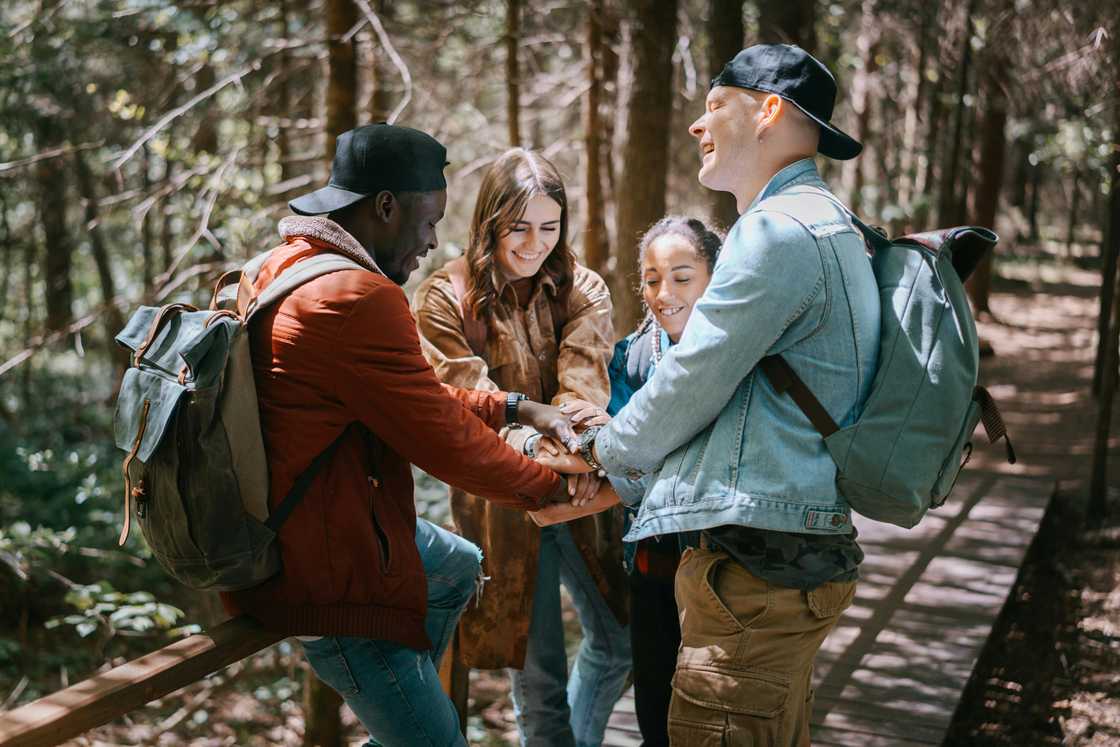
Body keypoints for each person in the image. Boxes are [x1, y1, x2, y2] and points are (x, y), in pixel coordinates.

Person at [219, 123, 602, 747]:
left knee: (455, 566)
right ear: (386, 206)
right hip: (327, 572)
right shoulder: (353, 296)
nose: (431, 241)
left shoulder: (283, 266)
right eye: (427, 222)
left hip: (306, 526)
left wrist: (515, 408)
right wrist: (545, 489)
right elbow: (440, 438)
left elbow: (412, 397)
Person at [576, 45, 882, 745]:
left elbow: (691, 381)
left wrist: (603, 444)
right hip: (788, 563)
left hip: (755, 579)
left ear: (769, 112)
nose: (696, 124)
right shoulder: (831, 222)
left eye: (716, 105)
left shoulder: (776, 232)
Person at [413, 148, 630, 747]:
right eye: (519, 227)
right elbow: (464, 396)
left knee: (622, 642)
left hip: (585, 493)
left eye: (550, 226)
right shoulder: (443, 297)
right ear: (490, 222)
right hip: (502, 506)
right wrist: (541, 445)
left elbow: (584, 382)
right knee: (538, 685)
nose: (535, 243)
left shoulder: (582, 286)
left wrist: (576, 449)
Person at [567, 216, 723, 747]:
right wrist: (599, 469)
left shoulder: (739, 354)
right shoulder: (631, 356)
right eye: (652, 278)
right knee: (655, 707)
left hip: (727, 568)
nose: (664, 293)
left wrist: (621, 469)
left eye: (682, 277)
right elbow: (611, 445)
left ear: (713, 275)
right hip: (653, 563)